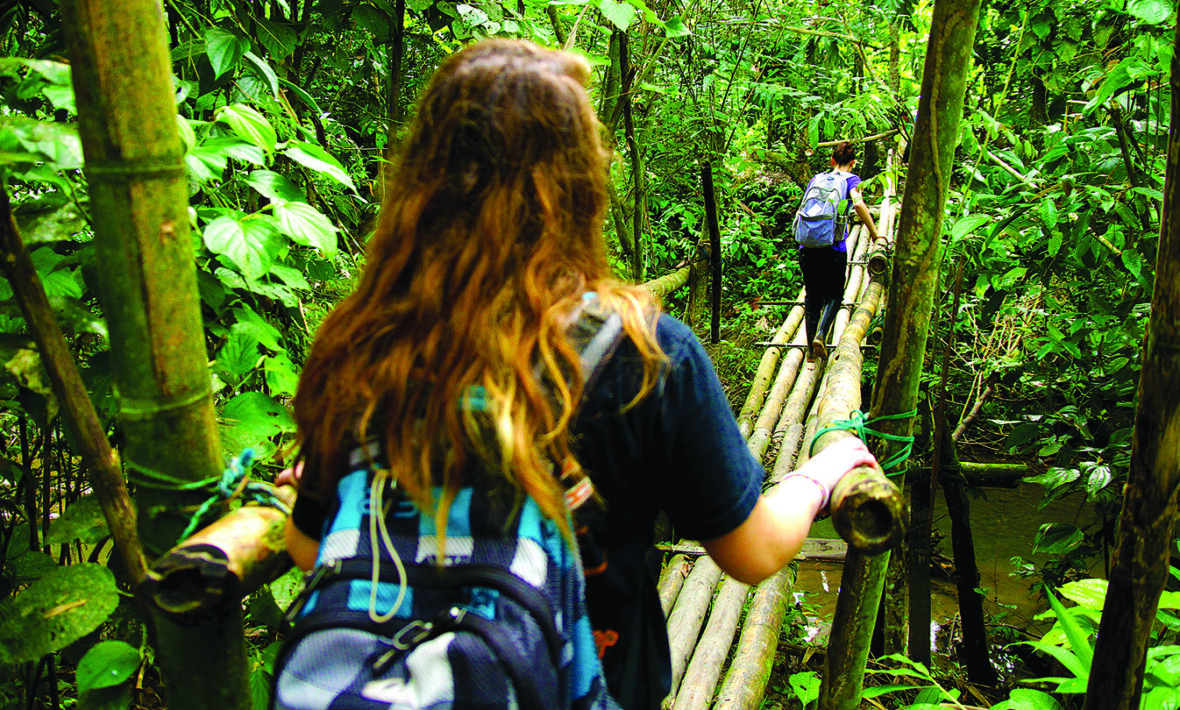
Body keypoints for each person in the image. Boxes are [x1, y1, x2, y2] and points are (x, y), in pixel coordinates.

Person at [281, 39, 878, 710]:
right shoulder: (646, 354)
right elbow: (752, 552)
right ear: (580, 184)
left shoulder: (364, 343)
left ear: (423, 175)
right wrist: (818, 476)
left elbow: (309, 546)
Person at [798, 141, 881, 361]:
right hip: (834, 248)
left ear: (832, 161)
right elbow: (859, 204)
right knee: (835, 293)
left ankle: (809, 351)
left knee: (812, 297)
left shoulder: (817, 179)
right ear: (852, 163)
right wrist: (875, 234)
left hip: (807, 247)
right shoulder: (852, 180)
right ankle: (821, 335)